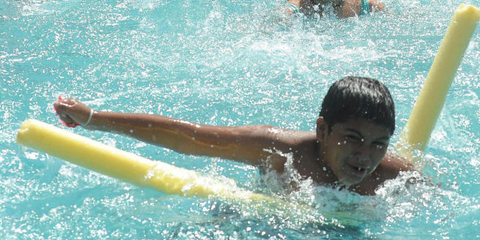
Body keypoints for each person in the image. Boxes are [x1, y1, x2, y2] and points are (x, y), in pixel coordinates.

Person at [52, 75, 416, 195]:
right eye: (352, 138)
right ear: (322, 130)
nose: (364, 156)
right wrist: (93, 118)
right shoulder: (280, 152)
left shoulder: (393, 176)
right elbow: (188, 138)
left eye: (378, 144)